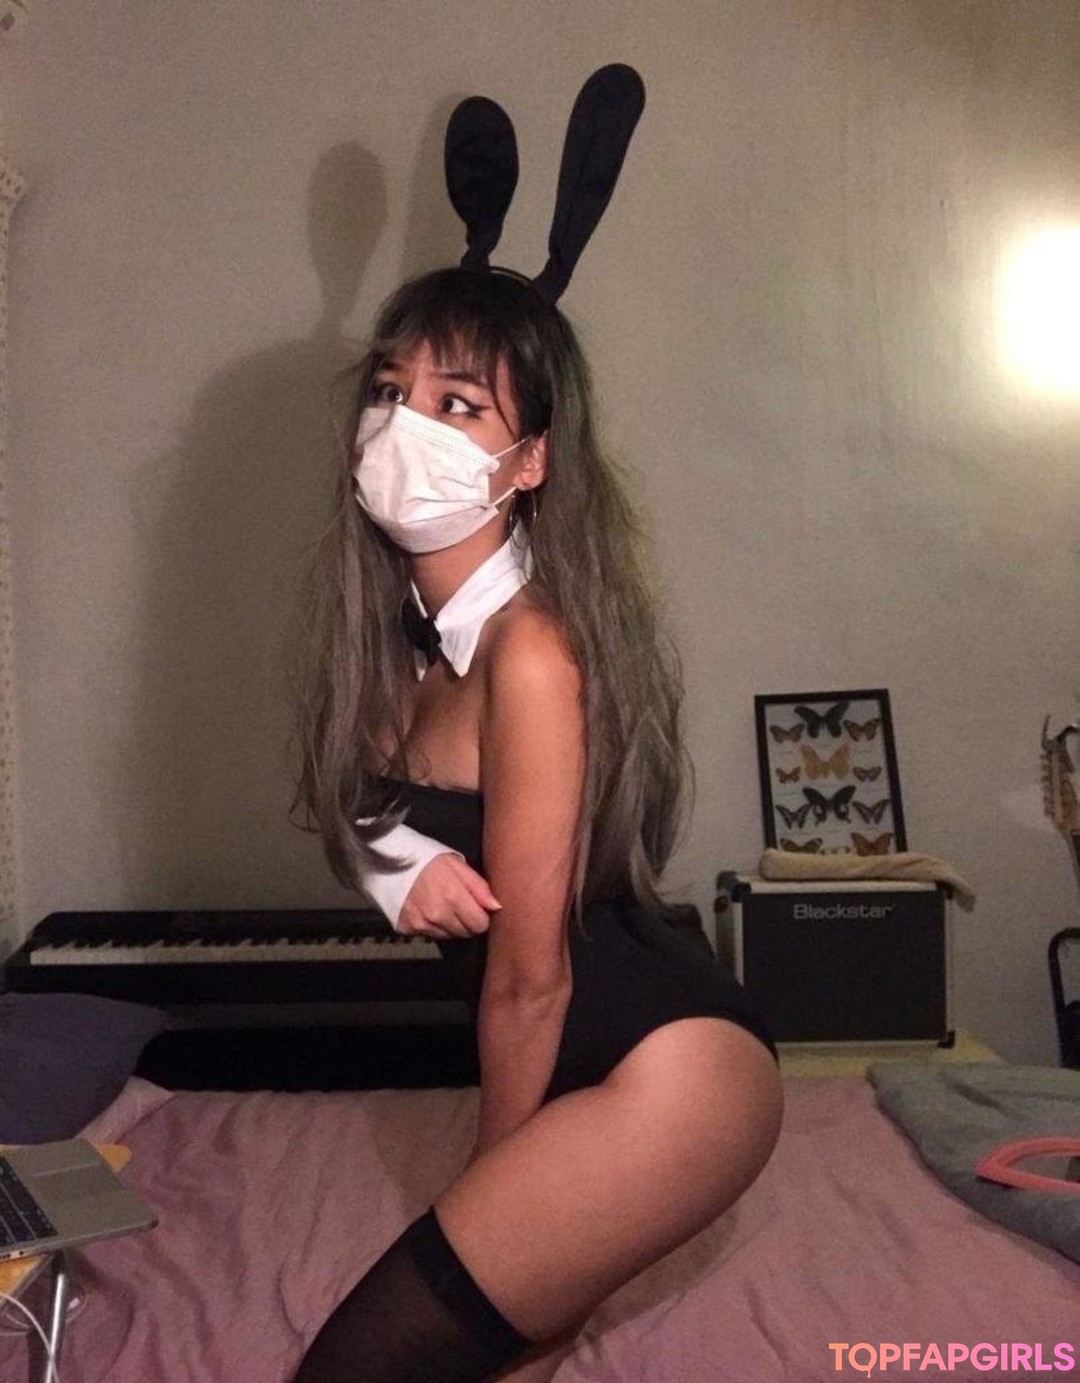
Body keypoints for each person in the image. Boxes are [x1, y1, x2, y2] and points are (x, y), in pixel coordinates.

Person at [290, 69, 782, 1383]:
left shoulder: (533, 654)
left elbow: (532, 976)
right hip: (573, 1058)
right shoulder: (395, 641)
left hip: (667, 1065)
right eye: (390, 391)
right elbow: (357, 812)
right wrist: (396, 868)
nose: (405, 426)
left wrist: (492, 1179)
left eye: (459, 405)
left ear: (530, 462)